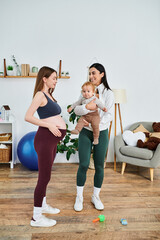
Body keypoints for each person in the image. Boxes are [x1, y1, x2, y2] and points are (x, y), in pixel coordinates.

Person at [25, 66, 66, 227]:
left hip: (52, 141)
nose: (56, 81)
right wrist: (48, 126)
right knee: (44, 178)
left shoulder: (49, 95)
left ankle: (42, 206)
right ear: (44, 78)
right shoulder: (40, 95)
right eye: (54, 78)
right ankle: (36, 218)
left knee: (46, 176)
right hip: (44, 140)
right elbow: (28, 116)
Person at [73, 63, 114, 212]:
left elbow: (109, 114)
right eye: (89, 74)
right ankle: (79, 197)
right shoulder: (86, 90)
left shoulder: (109, 93)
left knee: (99, 166)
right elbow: (77, 109)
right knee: (83, 164)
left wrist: (95, 125)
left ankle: (95, 197)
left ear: (102, 74)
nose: (91, 76)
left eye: (94, 73)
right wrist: (86, 108)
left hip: (101, 132)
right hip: (85, 131)